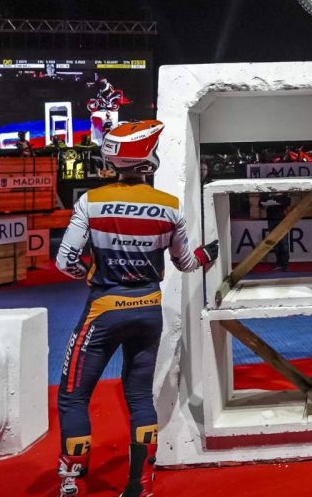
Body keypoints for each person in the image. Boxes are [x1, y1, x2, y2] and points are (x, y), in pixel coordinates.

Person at [54, 119, 218, 497]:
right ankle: (140, 485)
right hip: (149, 309)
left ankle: (73, 482)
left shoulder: (91, 201)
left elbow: (65, 261)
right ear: (148, 159)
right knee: (140, 396)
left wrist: (89, 273)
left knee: (74, 396)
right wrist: (207, 254)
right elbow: (185, 264)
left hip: (103, 310)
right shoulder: (170, 206)